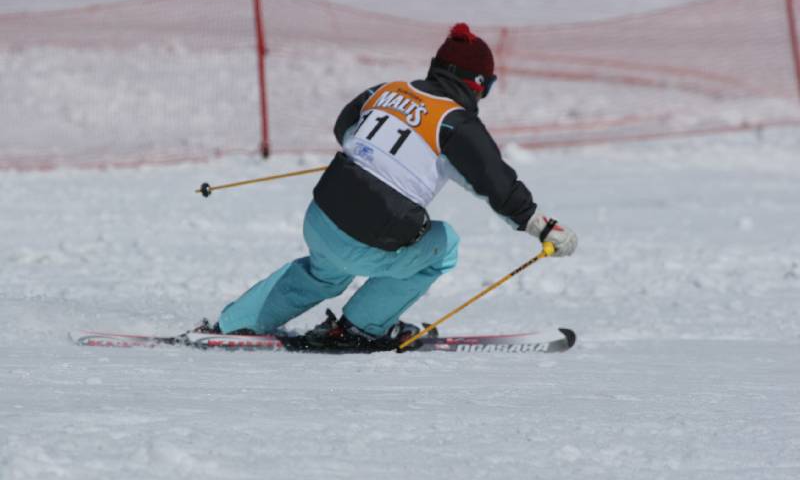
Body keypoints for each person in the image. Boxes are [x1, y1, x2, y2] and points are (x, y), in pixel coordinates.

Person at [201, 23, 577, 351]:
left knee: (323, 272)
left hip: (320, 219)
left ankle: (233, 324)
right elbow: (498, 185)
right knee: (444, 245)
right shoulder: (457, 123)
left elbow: (344, 127)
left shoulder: (385, 90)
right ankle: (360, 328)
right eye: (487, 86)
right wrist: (544, 228)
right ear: (476, 83)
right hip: (367, 239)